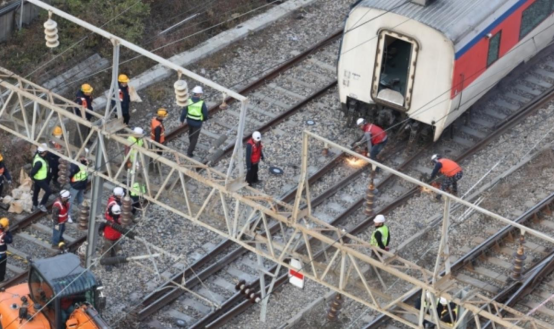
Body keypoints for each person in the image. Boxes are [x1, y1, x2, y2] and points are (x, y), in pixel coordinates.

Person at [180, 86, 209, 158]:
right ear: (199, 94)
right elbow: (205, 113)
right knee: (195, 138)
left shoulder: (188, 101)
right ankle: (189, 152)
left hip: (189, 121)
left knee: (190, 133)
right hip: (197, 122)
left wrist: (182, 120)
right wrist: (204, 119)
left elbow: (184, 112)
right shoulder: (201, 103)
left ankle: (191, 144)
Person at [31, 144, 52, 213]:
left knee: (36, 191)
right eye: (46, 151)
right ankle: (42, 204)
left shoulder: (38, 156)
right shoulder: (39, 162)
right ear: (44, 152)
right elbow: (32, 172)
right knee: (49, 191)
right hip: (40, 179)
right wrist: (33, 178)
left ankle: (35, 204)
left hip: (38, 178)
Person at [0, 218, 12, 282]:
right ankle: (1, 279)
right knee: (2, 267)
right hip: (2, 254)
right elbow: (10, 240)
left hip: (1, 253)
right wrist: (7, 232)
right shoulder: (4, 234)